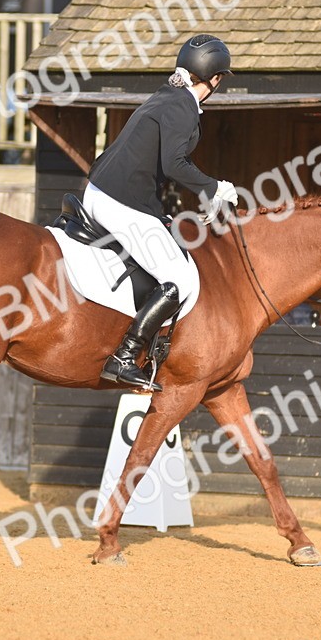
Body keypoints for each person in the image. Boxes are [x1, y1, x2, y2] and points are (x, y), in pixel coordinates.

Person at [86, 34, 239, 391]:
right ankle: (124, 356)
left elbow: (151, 166)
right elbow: (172, 164)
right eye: (220, 78)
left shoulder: (167, 96)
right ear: (214, 78)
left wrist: (160, 216)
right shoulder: (183, 106)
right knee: (181, 279)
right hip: (116, 199)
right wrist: (214, 187)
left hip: (109, 192)